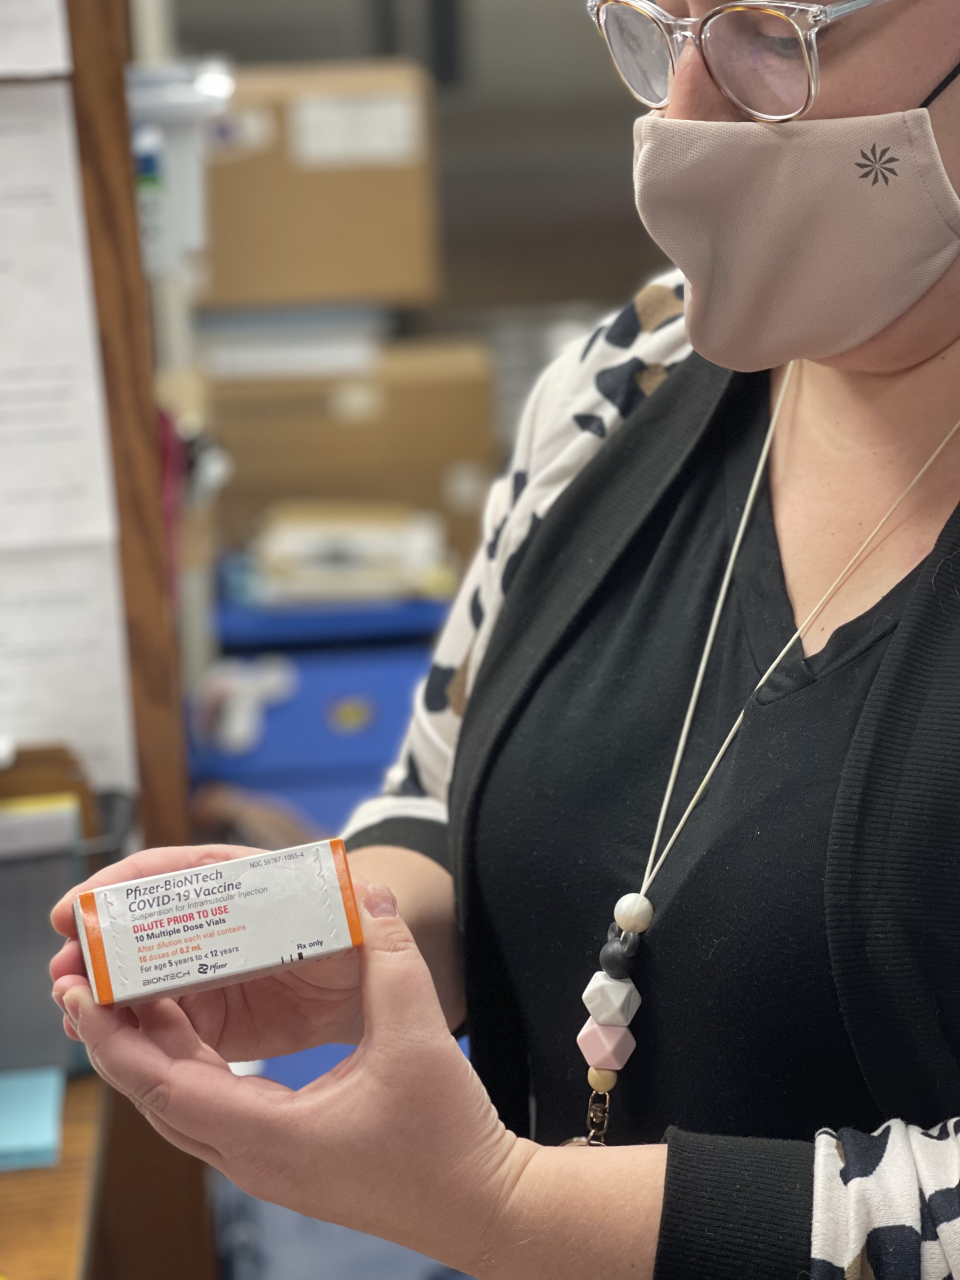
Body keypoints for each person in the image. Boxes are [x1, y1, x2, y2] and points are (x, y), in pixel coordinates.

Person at [51, 2, 960, 1277]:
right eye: (658, 30)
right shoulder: (624, 379)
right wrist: (339, 932)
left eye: (768, 35)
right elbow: (443, 787)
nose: (681, 118)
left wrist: (505, 1207)